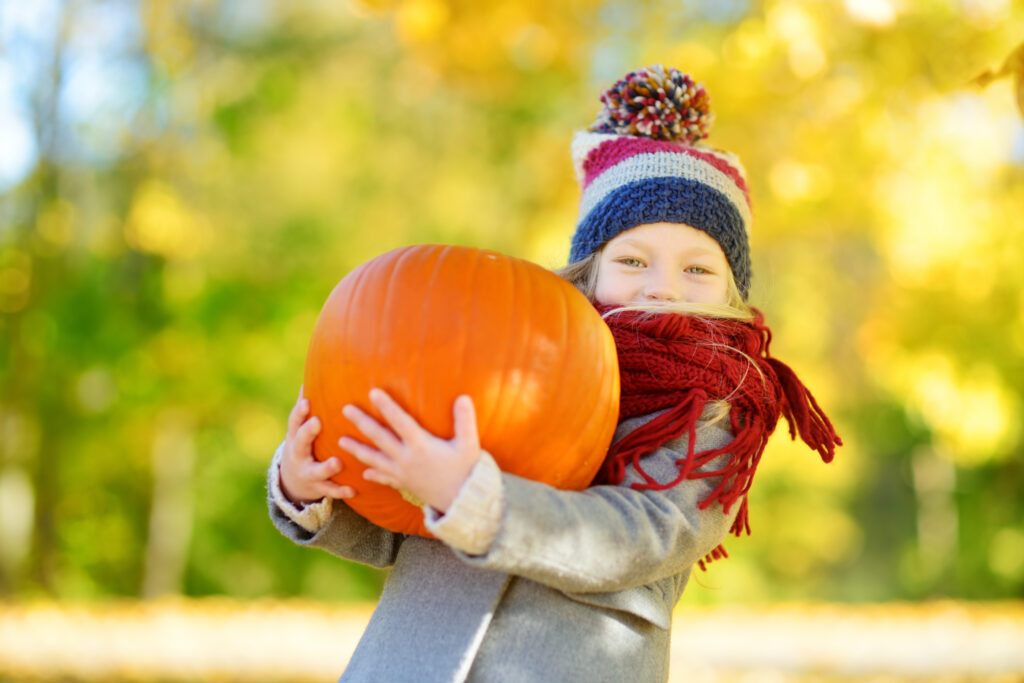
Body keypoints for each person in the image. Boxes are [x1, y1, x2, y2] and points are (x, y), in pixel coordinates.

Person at [267, 64, 841, 682]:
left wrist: (479, 498)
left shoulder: (713, 403)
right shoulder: (516, 363)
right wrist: (315, 491)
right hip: (412, 664)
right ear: (589, 272)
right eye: (633, 259)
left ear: (733, 293)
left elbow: (647, 534)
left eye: (697, 270)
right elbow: (402, 529)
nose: (662, 286)